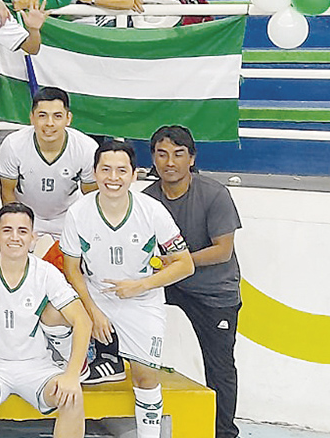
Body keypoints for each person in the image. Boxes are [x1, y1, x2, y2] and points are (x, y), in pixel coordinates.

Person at [60, 140, 194, 438]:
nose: (113, 177)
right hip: (94, 294)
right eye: (105, 169)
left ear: (134, 175)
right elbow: (71, 269)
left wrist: (140, 285)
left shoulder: (152, 211)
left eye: (122, 170)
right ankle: (86, 358)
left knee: (146, 377)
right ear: (94, 172)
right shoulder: (78, 212)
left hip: (141, 299)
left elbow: (184, 265)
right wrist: (92, 312)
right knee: (51, 314)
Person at [142, 125, 241, 438]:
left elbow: (223, 251)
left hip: (213, 291)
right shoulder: (146, 200)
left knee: (220, 366)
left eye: (178, 154)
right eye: (162, 154)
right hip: (168, 283)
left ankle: (223, 431)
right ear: (153, 160)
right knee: (116, 305)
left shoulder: (215, 194)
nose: (170, 162)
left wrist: (178, 262)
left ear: (191, 158)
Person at [0, 202, 92, 438]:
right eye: (7, 230)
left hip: (36, 366)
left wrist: (71, 375)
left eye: (22, 231)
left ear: (33, 237)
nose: (15, 237)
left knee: (72, 397)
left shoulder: (46, 272)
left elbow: (83, 321)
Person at [0, 86, 97, 248]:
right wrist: (18, 225)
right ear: (32, 118)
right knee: (16, 261)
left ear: (68, 119)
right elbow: (7, 192)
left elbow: (91, 196)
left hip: (67, 213)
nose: (49, 123)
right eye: (42, 116)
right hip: (26, 213)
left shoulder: (86, 148)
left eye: (57, 116)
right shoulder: (13, 145)